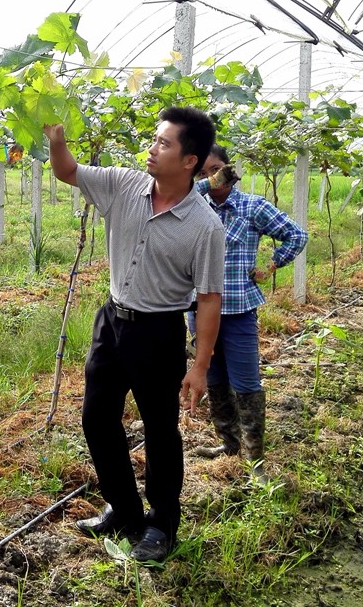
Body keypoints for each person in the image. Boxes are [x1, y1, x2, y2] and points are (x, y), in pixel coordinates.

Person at [44, 106, 225, 563]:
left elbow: (208, 299)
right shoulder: (125, 184)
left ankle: (162, 524)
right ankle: (124, 511)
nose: (152, 147)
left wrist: (200, 366)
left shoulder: (205, 227)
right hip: (111, 322)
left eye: (164, 143)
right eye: (154, 138)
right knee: (97, 419)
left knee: (161, 430)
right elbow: (67, 171)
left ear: (189, 161)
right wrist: (56, 138)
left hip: (159, 333)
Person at [190, 145, 308, 483]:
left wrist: (272, 265)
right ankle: (228, 446)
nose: (209, 178)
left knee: (245, 383)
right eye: (200, 174)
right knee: (213, 379)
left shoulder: (251, 207)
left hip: (238, 310)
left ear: (227, 167)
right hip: (198, 311)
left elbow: (297, 234)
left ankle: (255, 461)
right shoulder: (193, 207)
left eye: (213, 170)